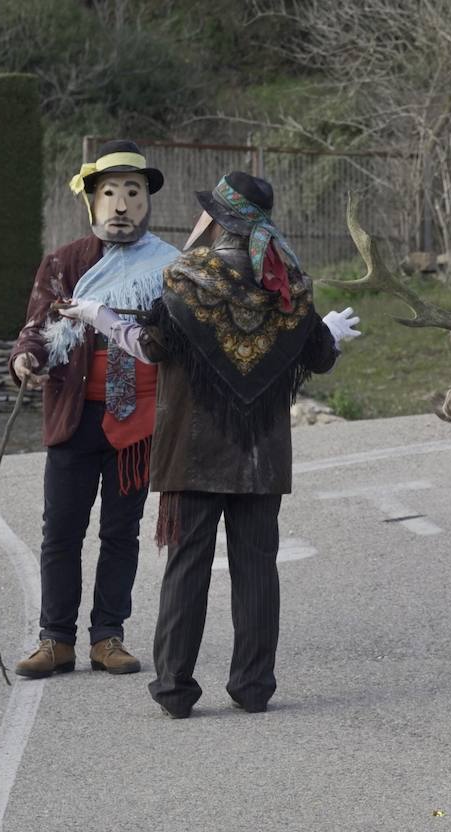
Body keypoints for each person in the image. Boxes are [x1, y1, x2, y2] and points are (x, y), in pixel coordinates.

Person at [60, 172, 359, 718]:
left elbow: (150, 347)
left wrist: (100, 318)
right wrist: (332, 335)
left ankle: (175, 690)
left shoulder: (184, 279)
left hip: (191, 454)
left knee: (186, 568)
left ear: (218, 220)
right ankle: (253, 687)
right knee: (256, 569)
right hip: (261, 457)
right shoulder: (287, 284)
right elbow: (315, 356)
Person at [8, 139, 177, 678]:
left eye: (133, 192)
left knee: (120, 533)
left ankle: (108, 635)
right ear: (91, 201)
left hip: (136, 423)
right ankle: (55, 638)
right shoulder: (65, 263)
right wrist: (26, 361)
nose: (122, 205)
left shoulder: (171, 268)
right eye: (110, 193)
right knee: (60, 530)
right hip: (73, 416)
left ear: (147, 201)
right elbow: (34, 331)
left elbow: (180, 340)